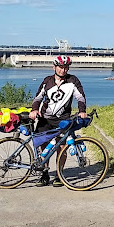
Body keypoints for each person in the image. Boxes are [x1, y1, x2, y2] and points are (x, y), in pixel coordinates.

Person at [29, 55, 87, 187]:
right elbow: (38, 97)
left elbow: (81, 97)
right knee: (44, 146)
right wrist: (34, 109)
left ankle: (59, 175)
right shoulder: (47, 81)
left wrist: (82, 110)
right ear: (54, 67)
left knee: (61, 147)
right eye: (61, 67)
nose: (63, 70)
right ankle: (44, 174)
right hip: (45, 118)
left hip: (63, 119)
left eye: (66, 67)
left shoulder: (73, 81)